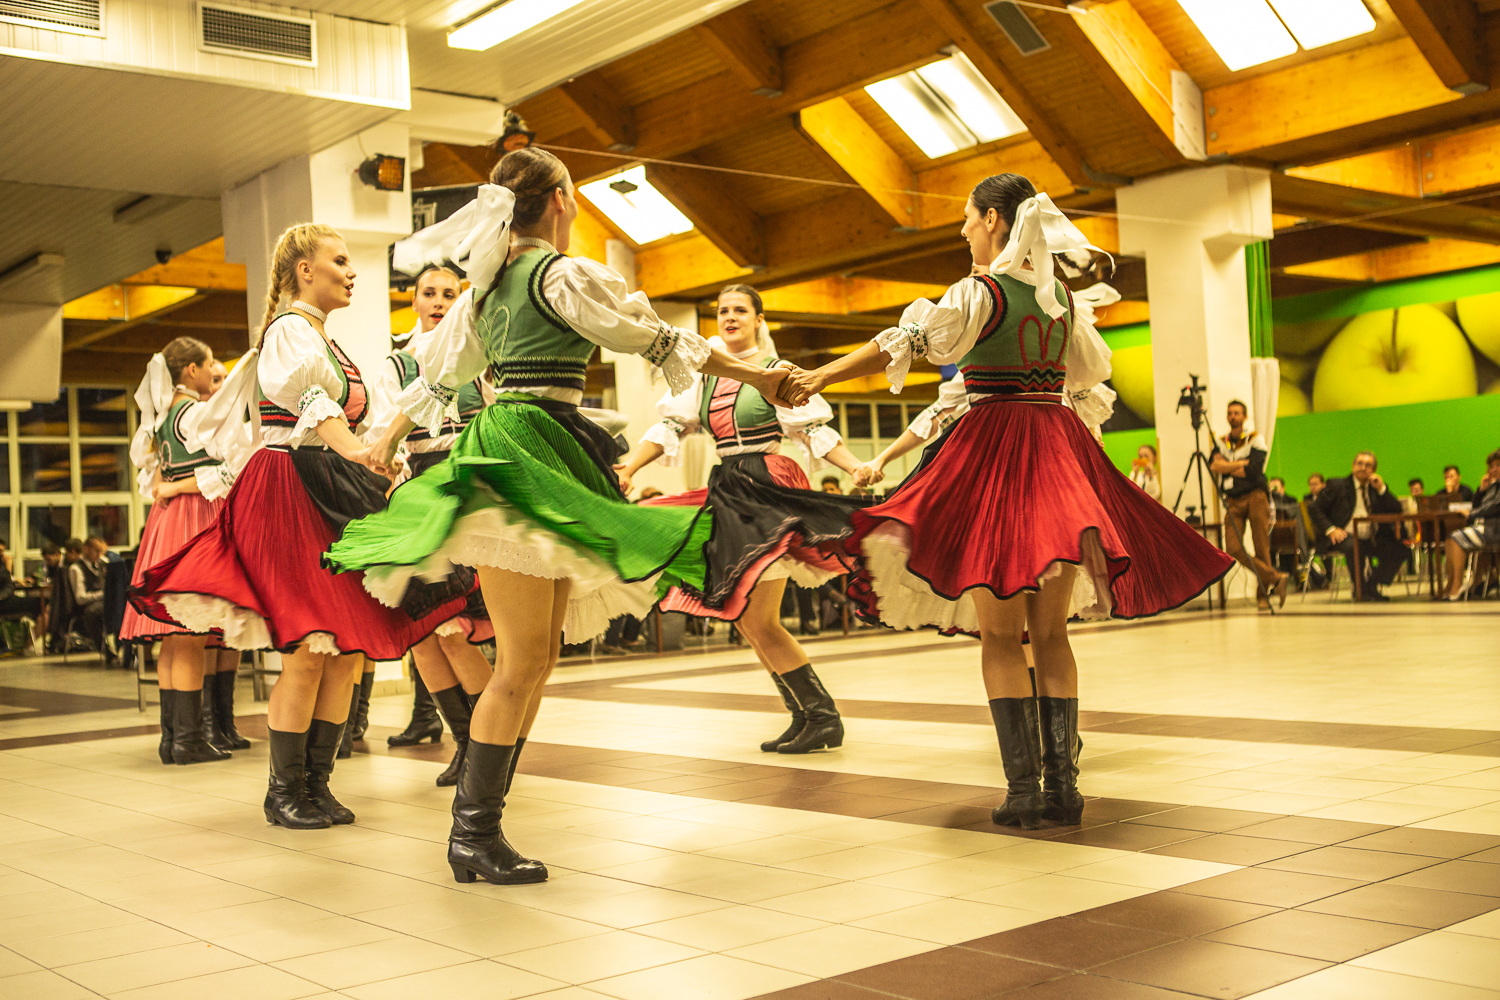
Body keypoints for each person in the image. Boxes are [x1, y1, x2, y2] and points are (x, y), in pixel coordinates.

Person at [324, 148, 808, 885]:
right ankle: (472, 834)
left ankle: (481, 825)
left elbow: (436, 376)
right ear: (558, 200)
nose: (576, 204)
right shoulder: (558, 275)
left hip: (530, 444)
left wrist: (385, 442)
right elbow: (652, 336)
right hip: (528, 448)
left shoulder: (489, 289)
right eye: (575, 194)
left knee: (538, 657)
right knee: (522, 662)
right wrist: (760, 375)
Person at [783, 173, 1232, 830]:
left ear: (994, 220)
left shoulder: (979, 291)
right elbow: (1088, 374)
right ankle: (1064, 789)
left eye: (968, 218)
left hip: (997, 456)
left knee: (999, 633)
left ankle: (1024, 791)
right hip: (1059, 455)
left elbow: (904, 341)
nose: (964, 230)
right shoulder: (1061, 301)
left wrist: (821, 375)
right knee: (1051, 633)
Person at [132, 223, 468, 831]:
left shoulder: (324, 338)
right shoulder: (288, 330)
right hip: (293, 487)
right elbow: (313, 410)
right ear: (304, 270)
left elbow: (346, 422)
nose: (352, 271)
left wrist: (379, 455)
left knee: (344, 651)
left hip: (332, 485)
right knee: (311, 650)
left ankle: (317, 783)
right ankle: (284, 791)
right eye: (340, 260)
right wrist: (362, 454)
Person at [617, 283, 872, 755]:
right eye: (722, 311)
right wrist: (630, 467)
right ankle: (806, 715)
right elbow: (671, 426)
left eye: (739, 310)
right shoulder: (703, 376)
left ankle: (822, 717)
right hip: (729, 487)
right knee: (746, 618)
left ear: (759, 320)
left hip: (767, 486)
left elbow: (813, 429)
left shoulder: (777, 371)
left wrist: (854, 466)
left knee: (759, 618)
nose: (729, 317)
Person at [366, 264, 496, 782]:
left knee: (455, 631)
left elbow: (498, 415)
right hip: (419, 489)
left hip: (470, 486)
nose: (439, 301)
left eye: (449, 293)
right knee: (422, 633)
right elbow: (383, 431)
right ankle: (465, 744)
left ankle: (488, 750)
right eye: (429, 293)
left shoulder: (479, 354)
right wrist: (393, 470)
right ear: (414, 301)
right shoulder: (396, 365)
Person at [121, 337, 239, 765]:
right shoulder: (195, 413)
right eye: (208, 366)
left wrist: (168, 487)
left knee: (173, 639)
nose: (212, 373)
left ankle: (173, 738)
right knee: (190, 632)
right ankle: (188, 740)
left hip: (167, 523)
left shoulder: (161, 418)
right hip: (196, 517)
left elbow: (153, 476)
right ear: (191, 370)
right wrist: (178, 486)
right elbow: (227, 470)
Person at [1210, 400, 1286, 611]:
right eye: (1230, 413)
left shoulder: (1255, 439)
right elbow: (1214, 466)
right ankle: (1276, 577)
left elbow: (1253, 470)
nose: (1233, 416)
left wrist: (1226, 466)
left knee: (1261, 545)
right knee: (1233, 548)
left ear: (1244, 417)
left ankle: (1263, 596)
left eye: (1237, 413)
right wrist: (1239, 464)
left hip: (1256, 496)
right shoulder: (1220, 442)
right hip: (1232, 500)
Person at [1308, 451, 1405, 601]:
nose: (1363, 468)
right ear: (1353, 466)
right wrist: (1331, 529)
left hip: (1371, 536)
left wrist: (1381, 488)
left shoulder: (1375, 487)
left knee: (1400, 548)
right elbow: (1314, 509)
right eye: (1359, 463)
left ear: (1374, 470)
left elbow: (1396, 509)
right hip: (1342, 536)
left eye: (1368, 465)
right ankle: (1361, 590)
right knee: (1355, 546)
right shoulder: (1337, 485)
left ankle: (1370, 585)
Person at [1443, 448, 1500, 599]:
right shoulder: (1494, 485)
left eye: (1498, 465)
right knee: (1450, 538)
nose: (1494, 469)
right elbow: (1477, 505)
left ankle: (1457, 585)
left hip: (1495, 530)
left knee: (1456, 538)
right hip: (1487, 528)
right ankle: (1451, 583)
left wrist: (1471, 514)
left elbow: (1495, 507)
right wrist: (1481, 490)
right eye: (1491, 466)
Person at [68, 536, 109, 654]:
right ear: (86, 549)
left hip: (102, 603)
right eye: (97, 551)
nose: (100, 555)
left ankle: (126, 647)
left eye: (102, 552)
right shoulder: (76, 568)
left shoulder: (100, 564)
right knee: (92, 612)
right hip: (84, 608)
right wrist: (103, 594)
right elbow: (80, 598)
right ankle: (104, 649)